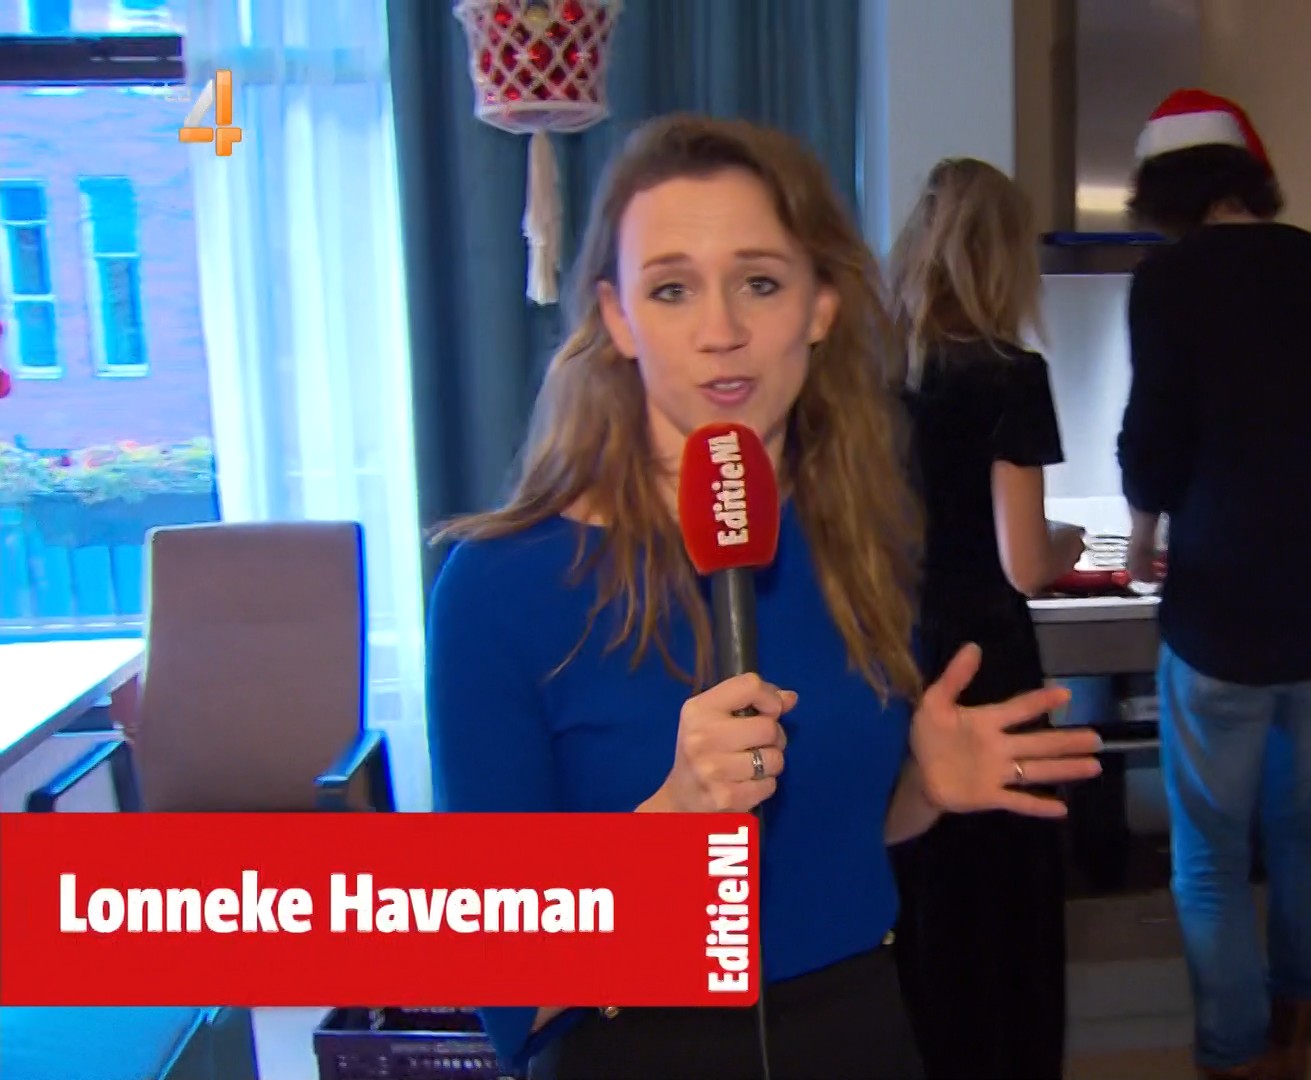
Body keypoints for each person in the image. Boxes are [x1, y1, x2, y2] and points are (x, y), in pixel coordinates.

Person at [425, 114, 1105, 1080]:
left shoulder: (865, 546)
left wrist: (921, 789)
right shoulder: (499, 588)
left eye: (759, 282)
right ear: (617, 318)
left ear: (820, 306)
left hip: (863, 1032)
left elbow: (834, 845)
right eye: (672, 289)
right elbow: (504, 986)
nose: (721, 332)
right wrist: (672, 823)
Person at [1116, 89, 1311, 1080]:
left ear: (1165, 191)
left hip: (1224, 609)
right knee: (1302, 829)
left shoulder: (1169, 281)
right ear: (1246, 175)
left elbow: (1155, 435)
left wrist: (1143, 537)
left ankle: (1233, 1060)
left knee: (1212, 855)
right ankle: (1295, 1037)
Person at [883, 157, 1086, 1080]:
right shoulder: (1011, 376)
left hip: (896, 653)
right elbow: (1024, 563)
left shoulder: (875, 374)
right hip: (988, 663)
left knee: (922, 884)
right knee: (1004, 899)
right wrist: (1069, 542)